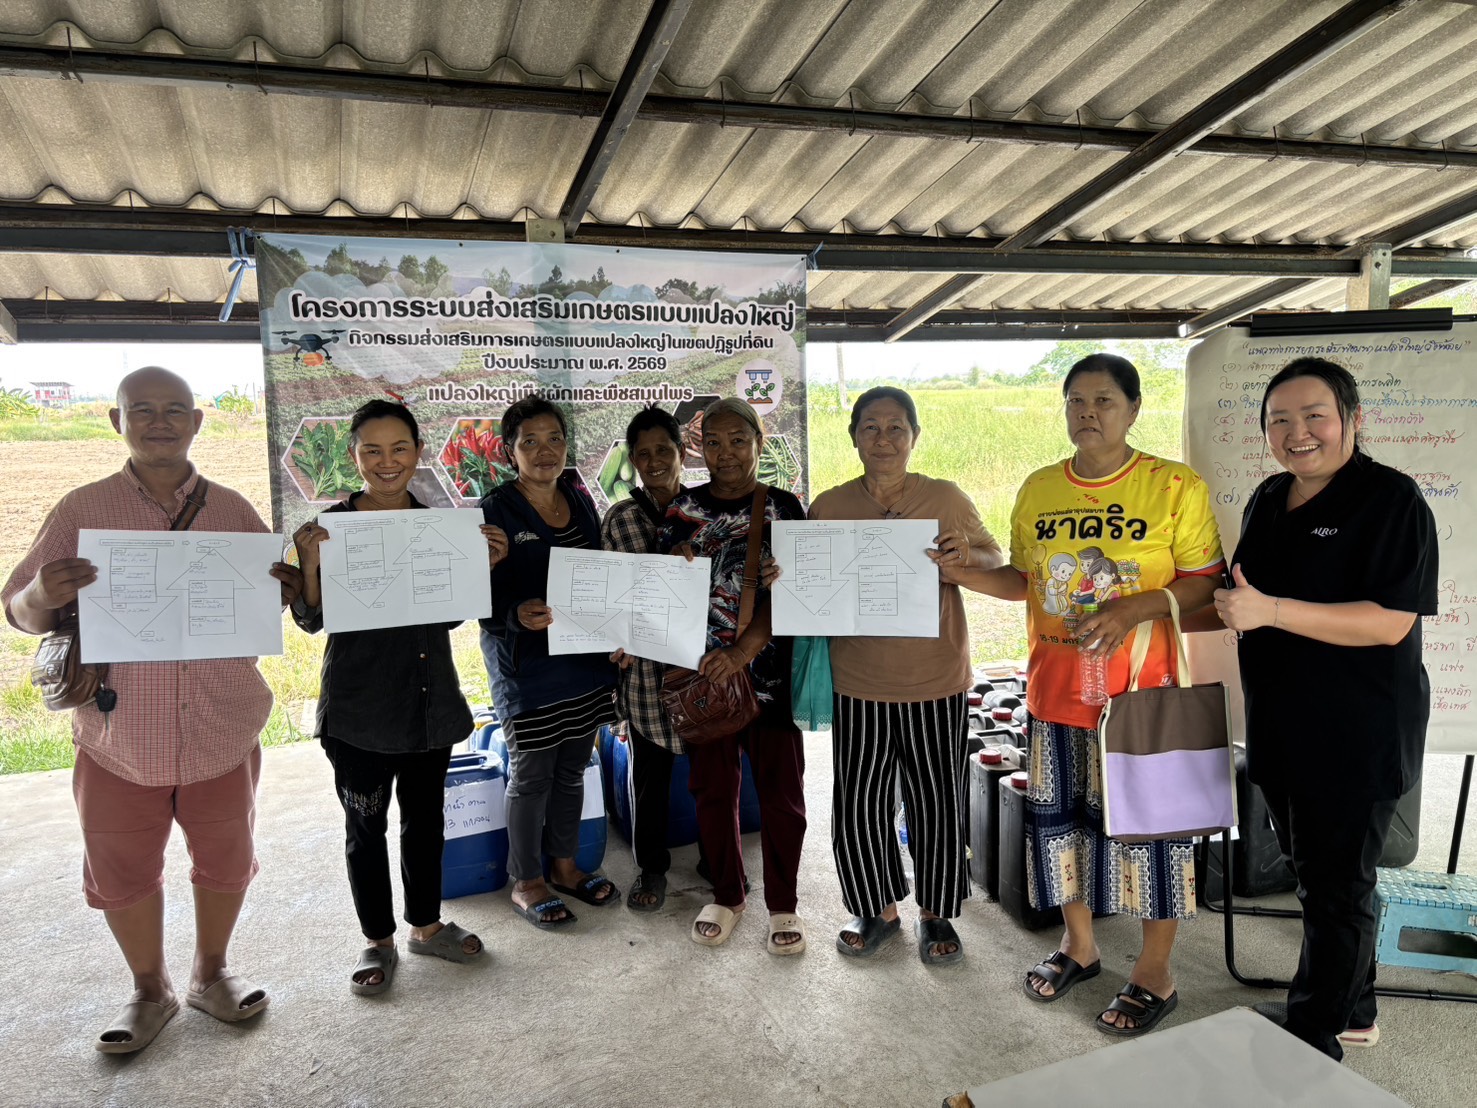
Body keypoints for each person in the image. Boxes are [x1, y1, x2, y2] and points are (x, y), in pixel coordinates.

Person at [2, 367, 302, 1053]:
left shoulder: (232, 512)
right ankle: (148, 988)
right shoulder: (81, 510)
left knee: (227, 858)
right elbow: (17, 610)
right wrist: (40, 593)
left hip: (220, 729)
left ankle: (211, 973)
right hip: (118, 736)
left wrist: (280, 591)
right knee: (121, 868)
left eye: (174, 410)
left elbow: (264, 602)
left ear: (198, 422)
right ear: (117, 422)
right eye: (143, 410)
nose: (159, 422)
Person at [934, 353, 1224, 1036]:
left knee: (1152, 838)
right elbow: (1024, 582)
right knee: (1056, 826)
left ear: (1131, 409)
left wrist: (1134, 609)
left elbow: (1206, 583)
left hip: (1141, 700)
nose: (1087, 414)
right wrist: (961, 575)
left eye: (1103, 401)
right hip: (1054, 694)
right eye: (1075, 402)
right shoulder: (1038, 489)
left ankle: (1155, 973)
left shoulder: (1172, 486)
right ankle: (1079, 945)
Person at [1212, 357, 1436, 1061]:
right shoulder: (1267, 497)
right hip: (1280, 726)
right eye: (1279, 419)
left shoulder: (1390, 500)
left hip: (1355, 732)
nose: (1296, 432)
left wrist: (1268, 611)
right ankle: (1353, 1007)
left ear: (1351, 419)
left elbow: (1388, 622)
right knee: (1320, 879)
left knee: (1336, 890)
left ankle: (1312, 1040)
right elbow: (1241, 595)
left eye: (1314, 416)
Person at [291, 400, 508, 994]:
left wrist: (481, 567)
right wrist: (311, 565)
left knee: (426, 821)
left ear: (417, 452)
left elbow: (450, 617)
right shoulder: (330, 528)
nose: (386, 463)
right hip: (358, 709)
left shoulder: (439, 526)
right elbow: (312, 619)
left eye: (399, 449)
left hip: (428, 703)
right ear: (355, 456)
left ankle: (426, 924)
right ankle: (378, 938)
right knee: (366, 827)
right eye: (372, 450)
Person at [808, 386, 1002, 964]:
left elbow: (996, 561)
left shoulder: (944, 497)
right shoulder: (830, 505)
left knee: (935, 799)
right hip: (857, 678)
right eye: (871, 427)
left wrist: (962, 555)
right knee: (859, 801)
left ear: (914, 437)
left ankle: (936, 913)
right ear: (854, 438)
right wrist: (782, 576)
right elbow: (806, 581)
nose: (884, 439)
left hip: (934, 679)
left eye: (897, 428)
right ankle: (878, 909)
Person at [661, 397, 809, 954]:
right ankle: (727, 894)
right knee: (712, 791)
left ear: (759, 444)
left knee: (781, 794)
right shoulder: (683, 510)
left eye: (738, 441)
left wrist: (746, 647)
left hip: (768, 676)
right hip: (701, 678)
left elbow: (803, 594)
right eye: (714, 442)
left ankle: (784, 904)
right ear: (701, 447)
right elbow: (656, 590)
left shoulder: (786, 508)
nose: (726, 453)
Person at [480, 396, 620, 929]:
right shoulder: (494, 509)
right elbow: (473, 593)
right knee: (532, 774)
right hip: (526, 667)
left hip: (583, 660)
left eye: (554, 439)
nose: (544, 451)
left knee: (571, 770)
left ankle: (565, 866)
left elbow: (599, 572)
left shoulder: (580, 497)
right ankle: (527, 880)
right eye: (529, 441)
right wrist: (516, 613)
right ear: (509, 450)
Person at [600, 407, 693, 912]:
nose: (654, 461)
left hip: (703, 671)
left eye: (664, 450)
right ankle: (650, 868)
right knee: (649, 780)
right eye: (643, 453)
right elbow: (607, 597)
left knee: (713, 778)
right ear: (631, 460)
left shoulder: (706, 511)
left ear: (682, 453)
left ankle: (718, 859)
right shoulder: (620, 518)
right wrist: (612, 634)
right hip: (644, 678)